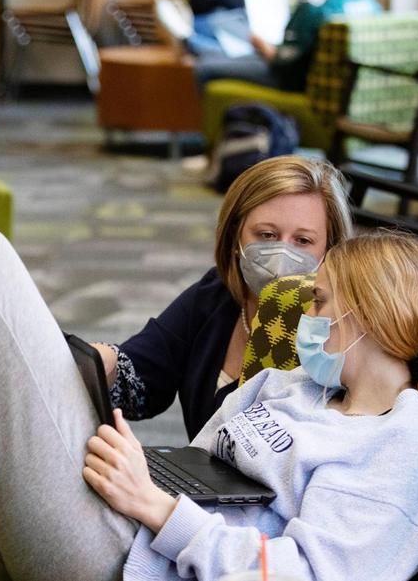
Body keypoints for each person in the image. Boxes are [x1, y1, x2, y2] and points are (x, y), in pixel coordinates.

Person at [0, 221, 418, 581]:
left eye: (322, 302)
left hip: (133, 563)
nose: (308, 316)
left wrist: (156, 508)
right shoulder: (294, 386)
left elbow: (305, 575)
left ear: (370, 314)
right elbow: (202, 465)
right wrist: (138, 474)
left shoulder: (398, 448)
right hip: (126, 520)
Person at [98, 155, 352, 440]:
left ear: (330, 251)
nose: (282, 254)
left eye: (303, 241)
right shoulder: (216, 294)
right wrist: (100, 360)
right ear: (235, 236)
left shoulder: (336, 334)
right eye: (267, 235)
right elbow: (143, 377)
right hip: (197, 469)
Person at [194, 0, 381, 91]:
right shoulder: (369, 1)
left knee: (205, 67)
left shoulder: (315, 6)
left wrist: (259, 43)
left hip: (295, 81)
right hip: (351, 87)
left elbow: (282, 59)